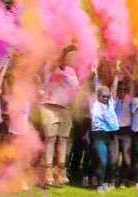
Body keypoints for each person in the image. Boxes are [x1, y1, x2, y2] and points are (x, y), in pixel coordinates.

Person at [40, 45, 80, 185]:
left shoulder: (71, 71)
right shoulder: (50, 67)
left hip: (65, 108)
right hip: (49, 107)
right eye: (63, 57)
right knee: (50, 138)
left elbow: (76, 89)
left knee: (63, 139)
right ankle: (48, 171)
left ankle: (61, 170)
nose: (65, 60)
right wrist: (65, 50)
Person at [90, 76, 120, 193]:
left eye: (108, 96)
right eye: (104, 96)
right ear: (98, 96)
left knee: (113, 161)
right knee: (102, 161)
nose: (107, 98)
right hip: (99, 135)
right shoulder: (94, 105)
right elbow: (94, 88)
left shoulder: (111, 104)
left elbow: (114, 89)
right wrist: (95, 72)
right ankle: (100, 184)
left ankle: (107, 181)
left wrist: (116, 77)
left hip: (111, 136)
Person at [112, 71, 133, 188]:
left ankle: (122, 180)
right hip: (115, 132)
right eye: (120, 89)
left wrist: (126, 71)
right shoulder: (113, 99)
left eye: (124, 90)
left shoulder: (129, 100)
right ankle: (113, 179)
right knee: (114, 159)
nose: (122, 91)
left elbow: (132, 84)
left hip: (126, 132)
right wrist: (116, 74)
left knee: (127, 160)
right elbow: (114, 89)